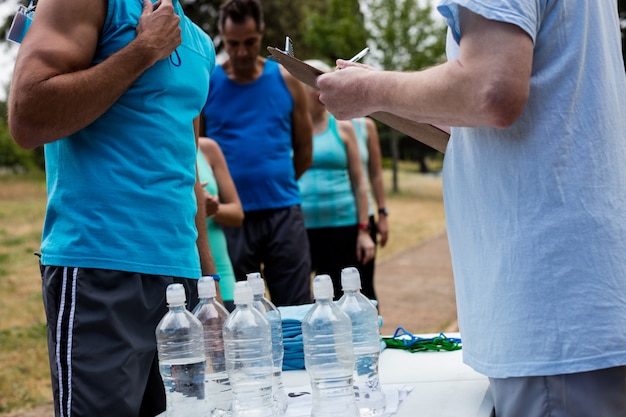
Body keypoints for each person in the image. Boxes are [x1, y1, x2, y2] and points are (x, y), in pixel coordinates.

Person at [316, 2, 626, 416]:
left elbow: (490, 91)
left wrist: (370, 92)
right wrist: (389, 93)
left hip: (549, 312)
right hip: (571, 300)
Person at [8, 1, 217, 416]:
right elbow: (27, 115)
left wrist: (209, 282)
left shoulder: (201, 43)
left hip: (180, 282)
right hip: (99, 268)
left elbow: (185, 162)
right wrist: (144, 49)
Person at [201, 0, 313, 307]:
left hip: (283, 213)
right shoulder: (209, 82)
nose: (241, 52)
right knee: (241, 314)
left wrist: (275, 181)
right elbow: (198, 151)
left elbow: (304, 150)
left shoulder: (286, 79)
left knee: (296, 309)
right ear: (221, 38)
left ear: (261, 34)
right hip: (232, 219)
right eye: (232, 43)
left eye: (249, 42)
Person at [297, 59, 375, 300]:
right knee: (304, 299)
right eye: (314, 84)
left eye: (324, 83)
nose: (320, 91)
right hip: (301, 230)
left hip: (342, 228)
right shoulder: (289, 130)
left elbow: (359, 182)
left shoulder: (343, 128)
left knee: (345, 296)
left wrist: (364, 231)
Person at [197, 137, 244, 311]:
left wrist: (211, 207)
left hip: (222, 277)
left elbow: (237, 213)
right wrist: (191, 204)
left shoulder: (208, 149)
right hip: (184, 280)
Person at [351, 116, 389, 301]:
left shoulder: (365, 126)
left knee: (364, 287)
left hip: (365, 217)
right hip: (335, 218)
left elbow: (375, 174)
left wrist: (383, 213)